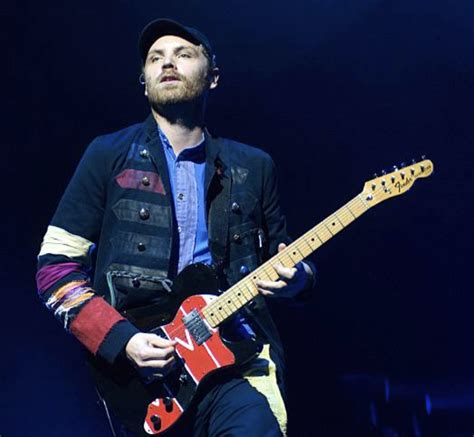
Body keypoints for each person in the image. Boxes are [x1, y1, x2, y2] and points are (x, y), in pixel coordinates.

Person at [36, 18, 316, 437]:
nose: (167, 63)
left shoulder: (253, 166)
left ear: (213, 77)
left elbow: (284, 255)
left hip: (234, 360)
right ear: (144, 82)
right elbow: (54, 268)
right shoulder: (107, 155)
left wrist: (300, 279)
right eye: (155, 58)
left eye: (183, 54)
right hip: (140, 374)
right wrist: (123, 339)